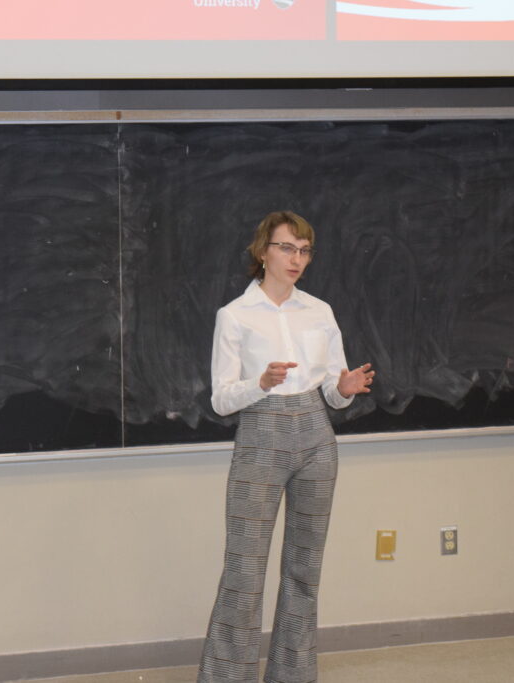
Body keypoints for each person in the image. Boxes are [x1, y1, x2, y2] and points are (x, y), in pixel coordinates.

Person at [197, 210, 375, 683]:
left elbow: (333, 390)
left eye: (304, 250)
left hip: (316, 434)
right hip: (261, 434)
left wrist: (345, 388)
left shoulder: (319, 311)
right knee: (244, 571)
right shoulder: (235, 316)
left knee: (304, 568)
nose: (297, 259)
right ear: (263, 252)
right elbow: (221, 399)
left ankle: (293, 674)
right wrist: (259, 383)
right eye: (287, 248)